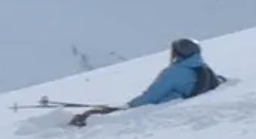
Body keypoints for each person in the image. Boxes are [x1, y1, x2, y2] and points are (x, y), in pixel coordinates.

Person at [68, 38, 224, 127]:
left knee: (94, 114)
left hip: (158, 108)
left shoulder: (174, 73)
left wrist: (128, 106)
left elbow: (151, 98)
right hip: (175, 101)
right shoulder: (201, 67)